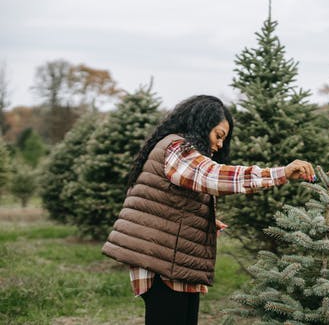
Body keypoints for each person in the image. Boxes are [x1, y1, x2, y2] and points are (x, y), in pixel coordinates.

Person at [102, 95, 315, 325]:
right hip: (162, 265)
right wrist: (279, 173)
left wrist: (204, 220)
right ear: (202, 125)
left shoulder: (176, 149)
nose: (220, 144)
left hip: (173, 261)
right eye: (218, 135)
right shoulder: (177, 148)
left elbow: (164, 200)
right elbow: (211, 176)